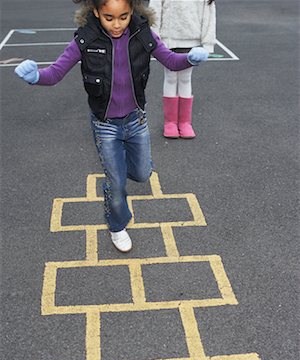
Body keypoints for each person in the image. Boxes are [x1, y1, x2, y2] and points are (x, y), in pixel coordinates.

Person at [14, 0, 208, 252]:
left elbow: (170, 60)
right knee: (116, 182)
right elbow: (56, 73)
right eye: (109, 17)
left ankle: (120, 165)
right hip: (105, 125)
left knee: (141, 174)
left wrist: (189, 59)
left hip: (136, 120)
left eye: (123, 17)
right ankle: (117, 225)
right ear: (95, 11)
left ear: (133, 11)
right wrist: (36, 77)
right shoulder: (85, 40)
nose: (117, 24)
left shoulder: (143, 34)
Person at [149, 0, 216, 138]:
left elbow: (209, 13)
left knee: (185, 79)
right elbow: (154, 8)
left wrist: (207, 44)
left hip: (192, 40)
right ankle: (170, 123)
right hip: (168, 40)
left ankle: (185, 122)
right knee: (171, 78)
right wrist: (154, 37)